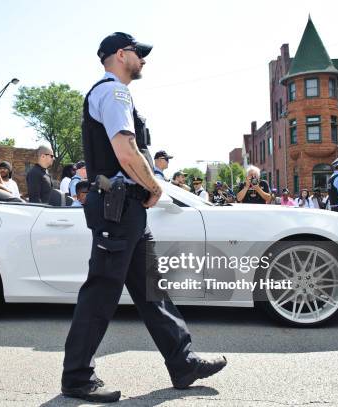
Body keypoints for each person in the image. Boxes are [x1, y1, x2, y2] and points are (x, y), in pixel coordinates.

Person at [61, 32, 226, 403]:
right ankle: (76, 377)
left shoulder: (112, 92)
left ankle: (183, 363)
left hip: (124, 210)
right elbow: (125, 149)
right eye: (139, 53)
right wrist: (155, 186)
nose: (144, 60)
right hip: (118, 209)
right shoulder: (114, 92)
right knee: (101, 291)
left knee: (152, 291)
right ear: (121, 55)